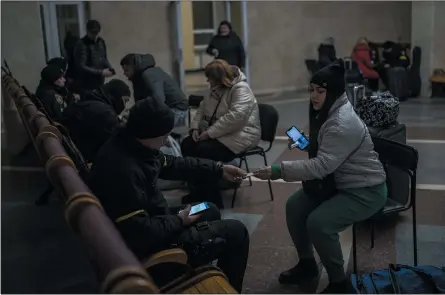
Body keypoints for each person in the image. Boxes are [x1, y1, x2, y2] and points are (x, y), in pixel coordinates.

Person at [88, 98, 250, 292]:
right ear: (149, 133)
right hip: (157, 242)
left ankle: (194, 259)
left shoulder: (135, 146)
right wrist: (180, 220)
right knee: (237, 232)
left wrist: (218, 169)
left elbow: (173, 164)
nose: (166, 141)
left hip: (157, 219)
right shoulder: (123, 171)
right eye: (163, 136)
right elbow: (139, 232)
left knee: (208, 207)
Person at [254, 60, 387, 294]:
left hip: (365, 190)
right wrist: (307, 142)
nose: (314, 96)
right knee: (295, 206)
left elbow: (322, 166)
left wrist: (278, 171)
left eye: (320, 91)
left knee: (320, 223)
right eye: (311, 90)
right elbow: (327, 150)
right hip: (338, 181)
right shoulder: (328, 111)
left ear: (333, 92)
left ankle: (339, 283)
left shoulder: (342, 122)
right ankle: (307, 264)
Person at [182, 59, 261, 163]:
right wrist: (195, 128)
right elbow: (202, 108)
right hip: (220, 132)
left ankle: (215, 176)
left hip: (242, 134)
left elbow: (235, 117)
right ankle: (195, 176)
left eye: (210, 78)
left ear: (219, 79)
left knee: (204, 150)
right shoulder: (214, 87)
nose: (208, 81)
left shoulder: (241, 88)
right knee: (187, 144)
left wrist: (209, 133)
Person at [61, 79, 131, 162]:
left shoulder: (88, 100)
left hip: (70, 151)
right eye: (124, 101)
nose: (124, 106)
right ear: (115, 96)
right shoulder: (106, 113)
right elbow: (115, 145)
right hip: (85, 160)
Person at [120, 53, 189, 128]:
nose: (124, 73)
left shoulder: (149, 74)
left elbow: (158, 101)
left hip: (177, 110)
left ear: (134, 67)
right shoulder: (140, 77)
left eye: (126, 70)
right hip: (170, 109)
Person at [73, 20, 114, 91]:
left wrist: (110, 68)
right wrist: (101, 72)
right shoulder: (82, 44)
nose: (95, 36)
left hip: (99, 81)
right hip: (86, 83)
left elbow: (104, 58)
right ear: (87, 31)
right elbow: (81, 66)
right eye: (92, 33)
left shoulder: (101, 42)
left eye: (97, 33)